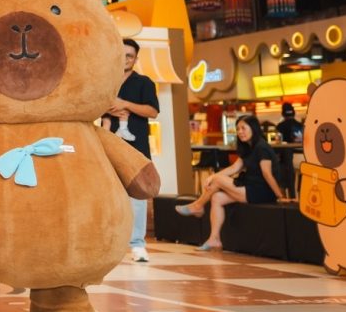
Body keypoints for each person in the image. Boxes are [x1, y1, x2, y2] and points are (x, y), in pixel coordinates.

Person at [175, 114, 288, 250]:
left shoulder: (262, 147)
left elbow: (267, 173)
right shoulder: (248, 147)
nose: (240, 132)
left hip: (261, 191)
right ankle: (214, 239)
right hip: (250, 187)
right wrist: (213, 177)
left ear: (253, 128)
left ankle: (198, 206)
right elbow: (234, 168)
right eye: (238, 129)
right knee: (217, 198)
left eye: (243, 128)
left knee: (218, 181)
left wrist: (279, 195)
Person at [108, 38, 159, 262]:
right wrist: (110, 110)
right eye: (122, 54)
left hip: (136, 148)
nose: (125, 59)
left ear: (136, 59)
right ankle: (111, 244)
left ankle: (137, 244)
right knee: (110, 195)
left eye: (130, 55)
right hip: (110, 145)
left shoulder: (144, 83)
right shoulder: (107, 81)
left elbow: (152, 111)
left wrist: (125, 104)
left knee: (137, 197)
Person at [275, 103, 303, 196]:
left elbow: (278, 143)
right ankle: (296, 197)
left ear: (283, 114)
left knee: (282, 183)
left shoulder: (280, 126)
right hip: (301, 158)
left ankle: (285, 199)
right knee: (294, 183)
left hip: (286, 161)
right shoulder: (300, 125)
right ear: (294, 113)